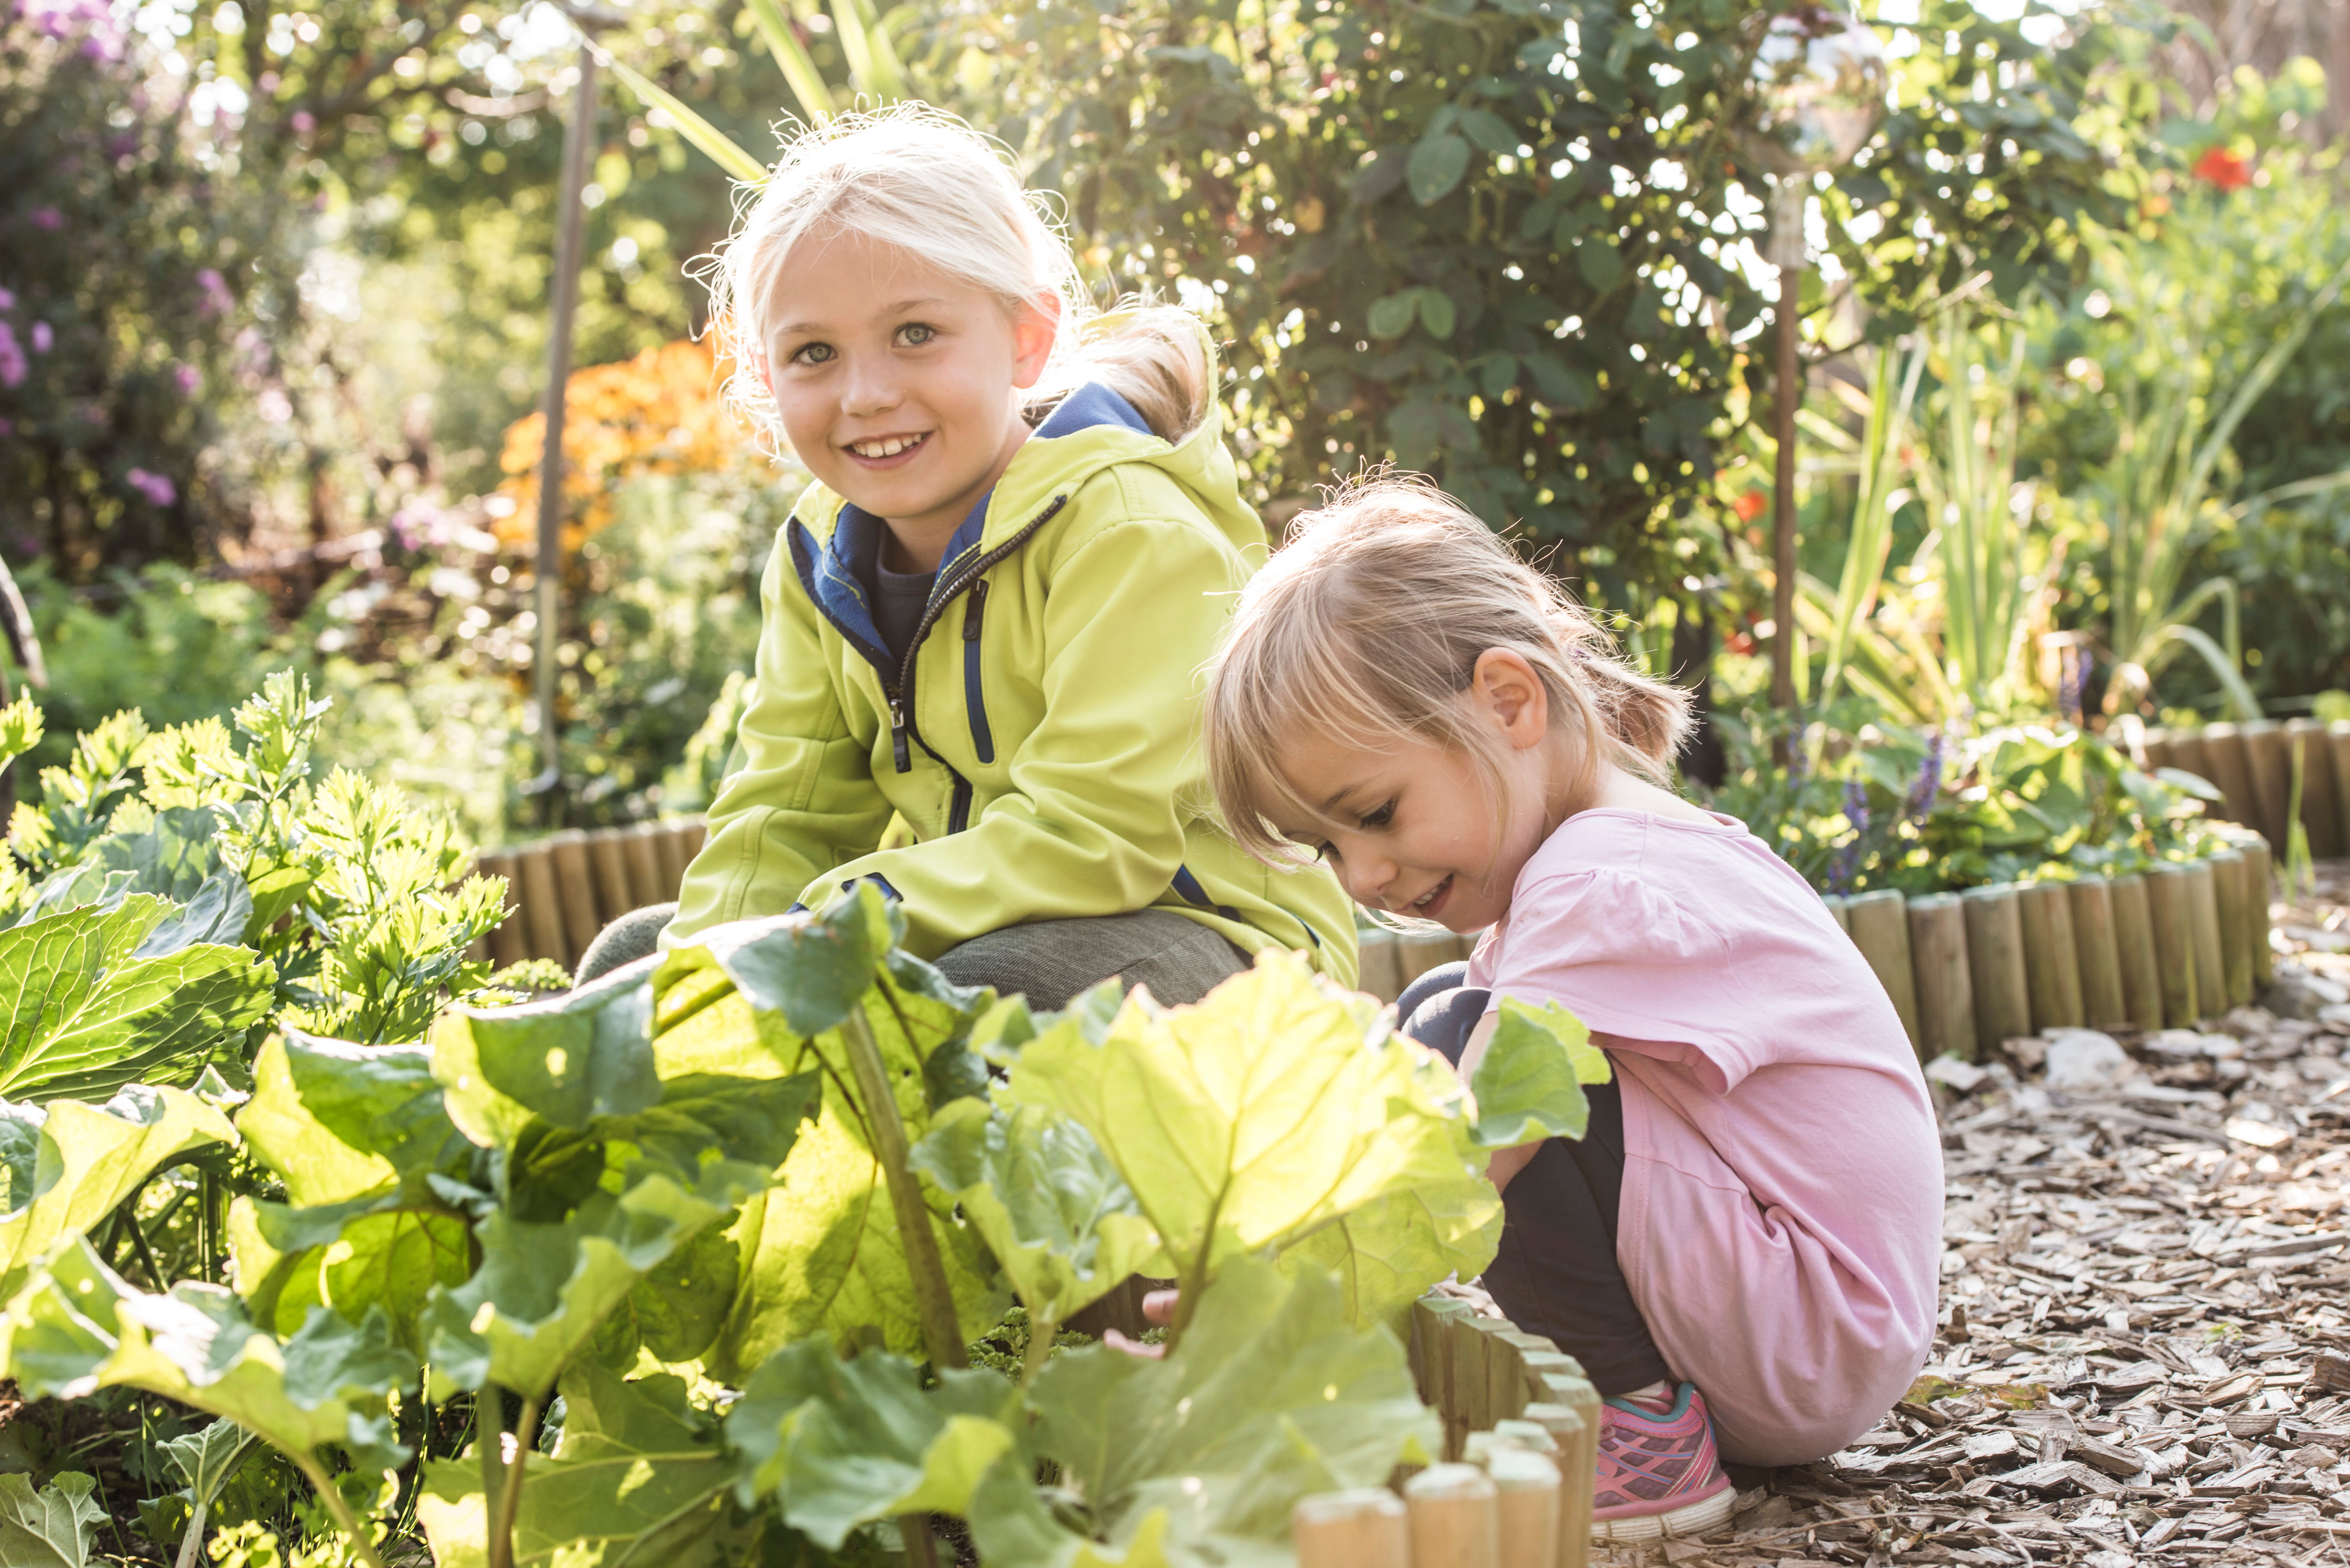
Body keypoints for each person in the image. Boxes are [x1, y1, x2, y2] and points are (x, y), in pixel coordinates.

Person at [1199, 476, 1943, 1542]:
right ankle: (1641, 1388)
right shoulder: (1611, 844)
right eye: (1328, 847)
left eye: (1375, 814)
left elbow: (1470, 1159)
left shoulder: (1595, 879)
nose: (1360, 875)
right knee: (1444, 1009)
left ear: (1510, 702)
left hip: (1808, 1325)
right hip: (1816, 1321)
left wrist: (1271, 1291)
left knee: (1477, 1054)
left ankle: (1639, 1429)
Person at [572, 105, 1355, 1005]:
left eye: (915, 335)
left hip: (1219, 942)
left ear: (1025, 338)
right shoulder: (819, 554)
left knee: (971, 1000)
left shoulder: (1133, 532)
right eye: (814, 353)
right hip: (992, 921)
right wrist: (699, 975)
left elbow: (1097, 837)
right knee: (634, 961)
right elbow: (785, 812)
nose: (866, 395)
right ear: (764, 376)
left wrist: (826, 917)